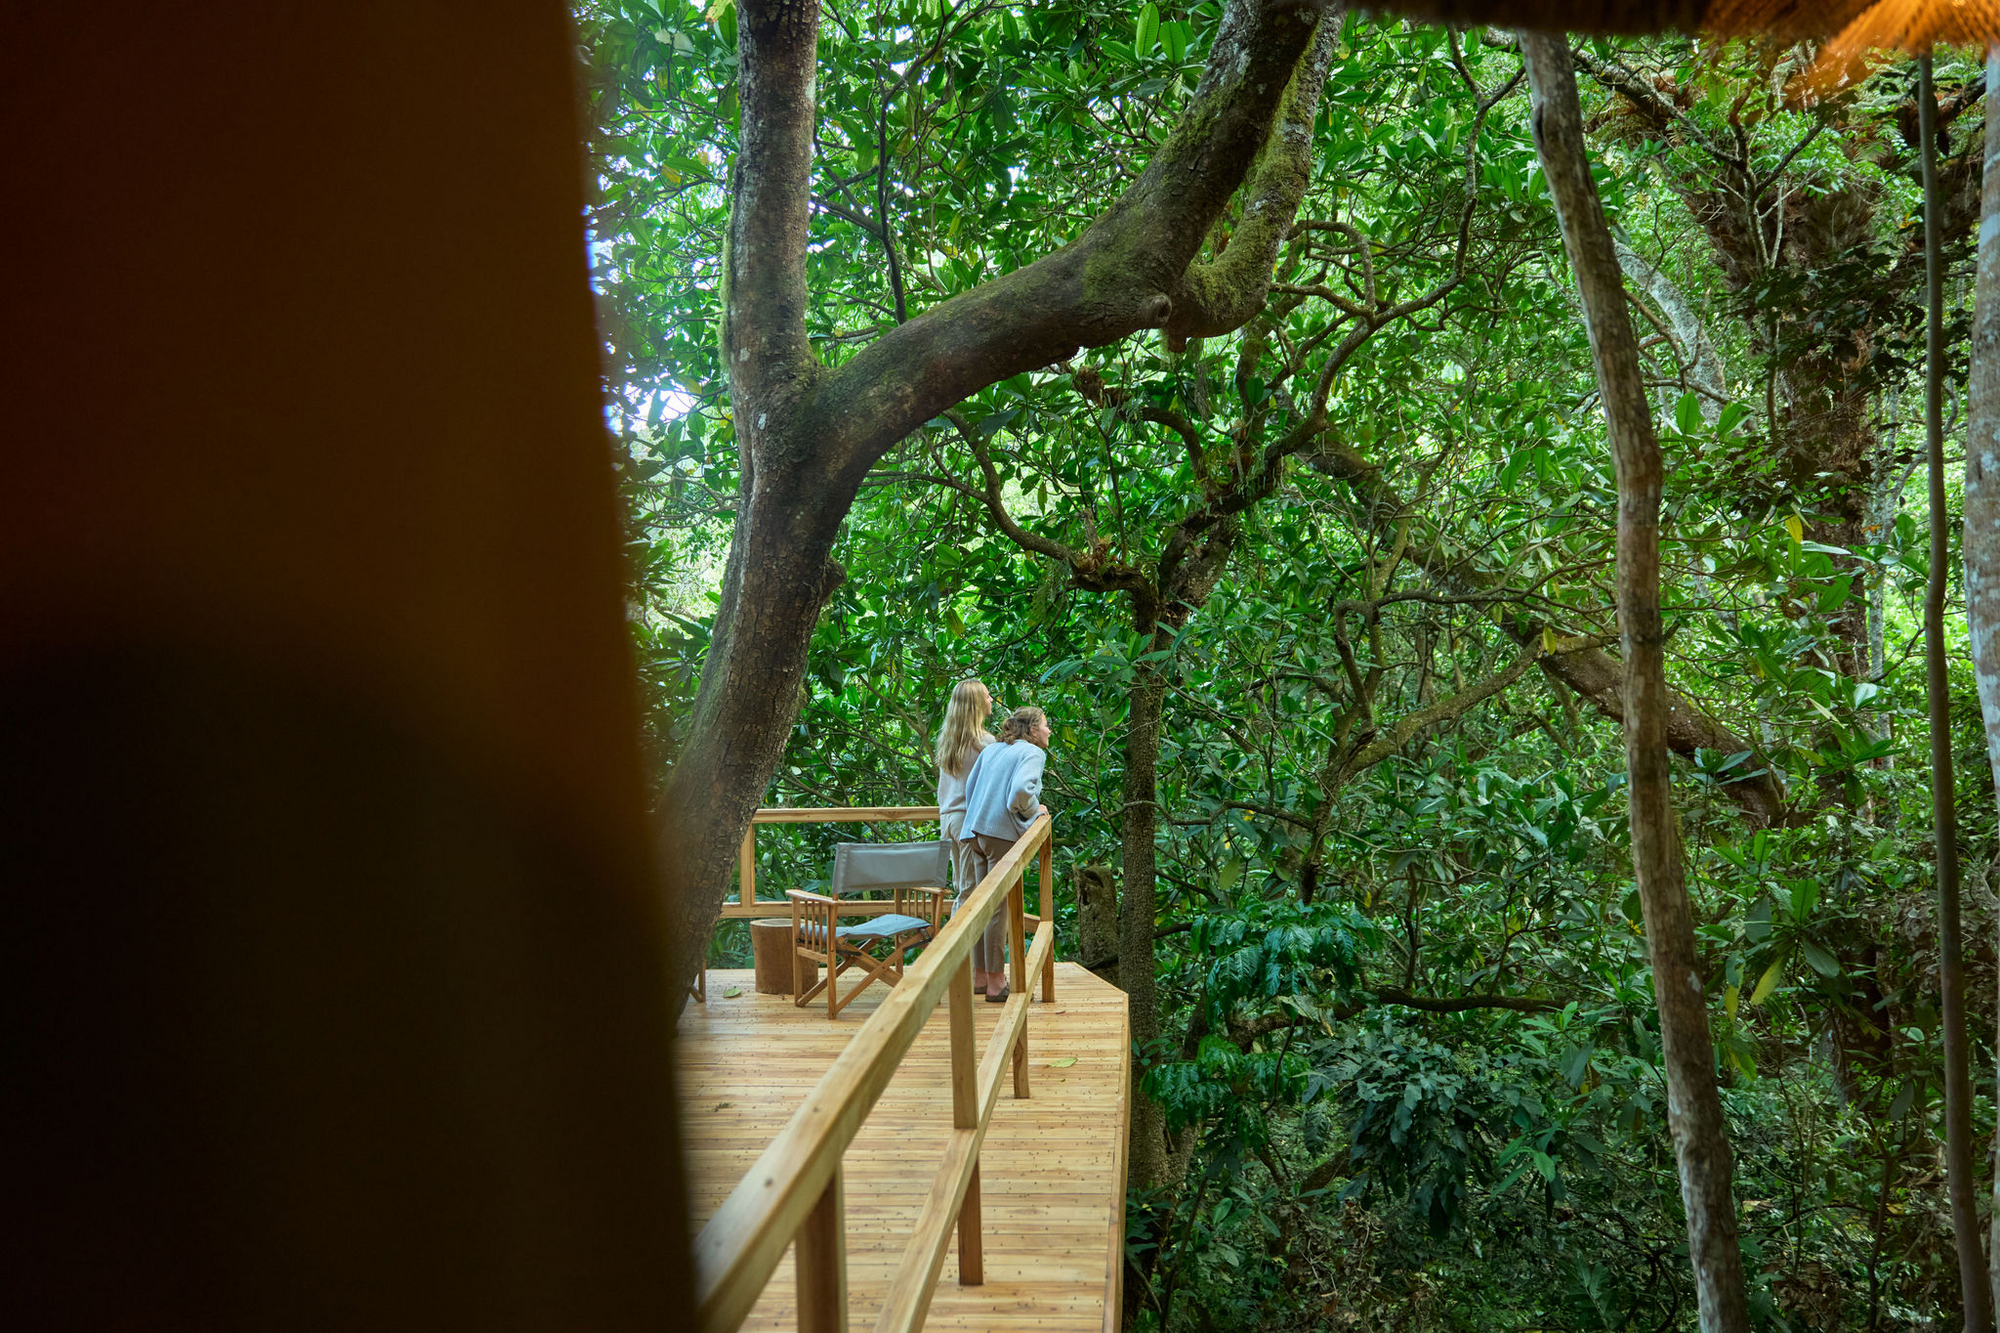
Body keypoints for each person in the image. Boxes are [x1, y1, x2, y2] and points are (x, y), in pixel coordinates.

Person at [958, 705, 1052, 1001]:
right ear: (1033, 730)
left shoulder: (993, 749)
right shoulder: (1032, 753)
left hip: (975, 832)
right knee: (997, 909)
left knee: (981, 906)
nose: (1049, 731)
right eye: (1045, 725)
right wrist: (1033, 811)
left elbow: (970, 788)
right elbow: (1020, 792)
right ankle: (997, 983)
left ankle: (980, 976)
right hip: (999, 835)